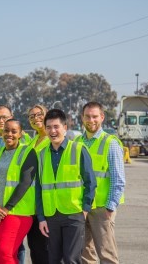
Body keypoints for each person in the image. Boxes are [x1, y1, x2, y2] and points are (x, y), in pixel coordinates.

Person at [37, 109, 96, 264]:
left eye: (56, 126)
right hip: (51, 215)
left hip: (74, 214)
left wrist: (85, 209)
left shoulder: (78, 149)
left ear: (65, 128)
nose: (52, 131)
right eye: (48, 127)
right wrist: (41, 217)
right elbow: (39, 187)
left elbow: (91, 182)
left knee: (72, 259)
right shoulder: (42, 154)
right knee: (53, 259)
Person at [75, 102, 125, 264]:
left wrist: (111, 206)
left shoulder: (110, 143)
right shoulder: (76, 142)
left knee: (107, 255)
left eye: (95, 116)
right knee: (84, 254)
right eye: (87, 116)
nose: (91, 120)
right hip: (81, 207)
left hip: (102, 208)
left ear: (102, 117)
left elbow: (118, 179)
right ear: (82, 118)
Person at [0, 119, 37, 264]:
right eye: (6, 130)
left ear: (20, 134)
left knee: (4, 252)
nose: (9, 134)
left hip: (17, 213)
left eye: (14, 131)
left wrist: (6, 209)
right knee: (6, 255)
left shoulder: (27, 152)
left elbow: (25, 182)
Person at [26, 104, 51, 264]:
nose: (36, 118)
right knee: (35, 248)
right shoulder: (32, 141)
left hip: (47, 204)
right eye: (31, 116)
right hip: (31, 205)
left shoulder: (52, 139)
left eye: (39, 114)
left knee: (47, 249)